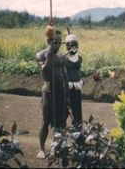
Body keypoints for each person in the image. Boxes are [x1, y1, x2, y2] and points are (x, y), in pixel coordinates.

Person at [35, 26, 70, 159]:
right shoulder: (41, 55)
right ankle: (41, 149)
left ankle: (57, 147)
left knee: (60, 122)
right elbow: (45, 71)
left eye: (59, 43)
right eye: (55, 42)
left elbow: (65, 77)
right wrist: (49, 54)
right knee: (45, 121)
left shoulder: (61, 58)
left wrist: (67, 97)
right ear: (49, 41)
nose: (57, 45)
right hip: (48, 92)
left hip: (60, 92)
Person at [63, 33, 83, 127]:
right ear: (67, 46)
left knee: (77, 109)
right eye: (71, 45)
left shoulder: (79, 59)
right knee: (65, 110)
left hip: (77, 88)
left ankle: (77, 127)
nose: (73, 47)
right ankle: (61, 129)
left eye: (75, 45)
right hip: (67, 88)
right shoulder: (63, 58)